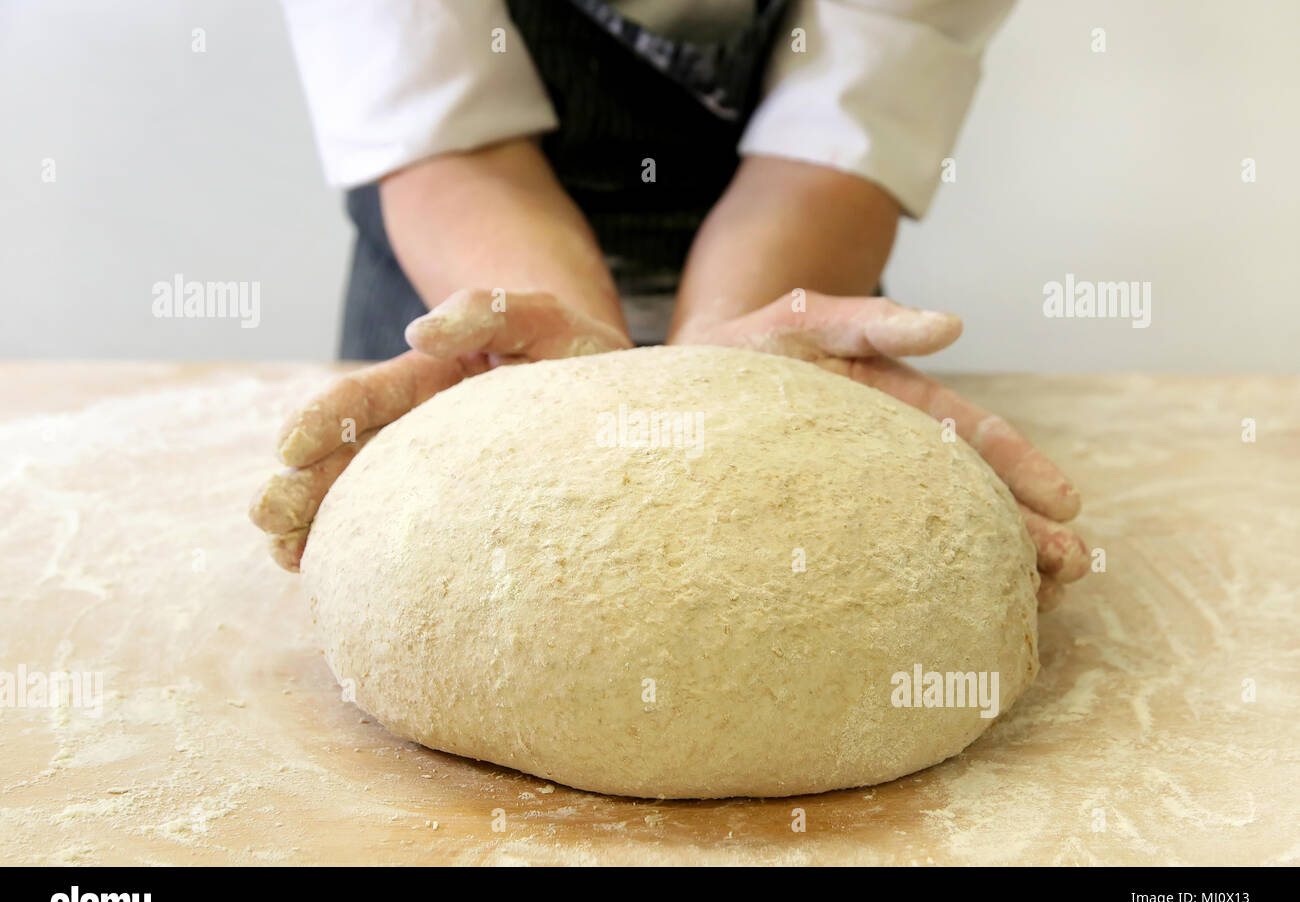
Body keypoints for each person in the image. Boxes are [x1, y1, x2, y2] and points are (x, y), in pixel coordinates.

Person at [252, 0, 1088, 610]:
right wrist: (566, 370)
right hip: (475, 299)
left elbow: (837, 128)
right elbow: (444, 127)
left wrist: (714, 368)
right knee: (442, 592)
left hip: (778, 307)